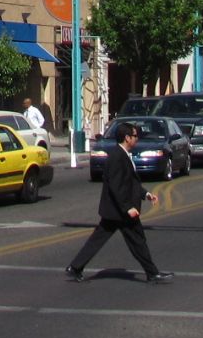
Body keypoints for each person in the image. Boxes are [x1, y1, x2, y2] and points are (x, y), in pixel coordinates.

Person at [64, 121, 172, 284]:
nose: (137, 139)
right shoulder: (116, 156)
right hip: (121, 211)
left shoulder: (123, 155)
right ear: (127, 138)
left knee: (100, 239)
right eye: (135, 136)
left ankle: (75, 267)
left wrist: (146, 194)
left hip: (115, 211)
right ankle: (152, 273)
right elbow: (116, 185)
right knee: (137, 240)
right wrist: (128, 208)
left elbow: (130, 183)